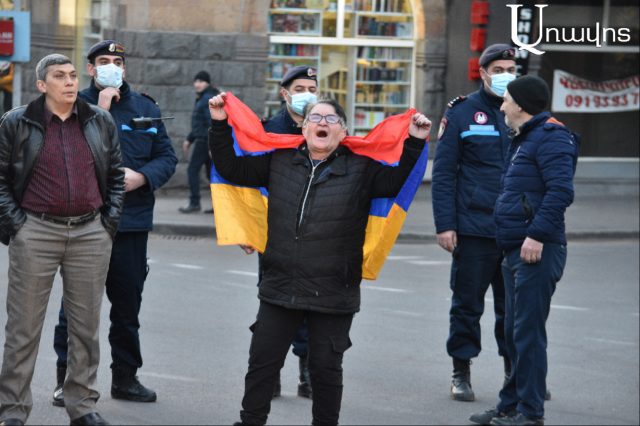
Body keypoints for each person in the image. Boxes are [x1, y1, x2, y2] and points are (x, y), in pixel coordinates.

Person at [208, 92, 430, 426]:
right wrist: (219, 123)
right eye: (315, 117)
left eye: (330, 119)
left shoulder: (361, 168)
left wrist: (414, 140)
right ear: (304, 128)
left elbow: (395, 181)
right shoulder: (279, 160)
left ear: (343, 131)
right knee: (262, 364)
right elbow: (231, 168)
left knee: (325, 370)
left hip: (333, 290)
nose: (321, 123)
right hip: (280, 286)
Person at [51, 40, 177, 407]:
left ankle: (125, 378)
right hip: (83, 223)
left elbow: (167, 157)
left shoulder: (145, 107)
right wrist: (100, 110)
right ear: (90, 69)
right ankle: (67, 381)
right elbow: (61, 154)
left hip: (131, 223)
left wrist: (143, 177)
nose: (111, 66)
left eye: (117, 62)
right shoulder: (72, 105)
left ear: (124, 68)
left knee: (127, 308)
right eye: (103, 61)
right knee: (76, 310)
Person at [0, 53, 124, 426]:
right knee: (23, 328)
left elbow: (115, 175)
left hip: (90, 233)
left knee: (85, 328)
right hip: (36, 231)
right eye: (59, 76)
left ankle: (82, 406)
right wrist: (17, 225)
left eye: (72, 75)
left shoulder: (99, 120)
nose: (70, 81)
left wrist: (106, 224)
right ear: (42, 85)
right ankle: (13, 410)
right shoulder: (17, 122)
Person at [469, 76, 578, 426]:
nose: (502, 106)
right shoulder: (525, 137)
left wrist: (536, 235)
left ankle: (530, 413)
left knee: (528, 334)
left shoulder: (552, 137)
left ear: (520, 104)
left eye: (506, 100)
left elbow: (560, 192)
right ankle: (509, 405)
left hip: (537, 249)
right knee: (513, 333)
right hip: (515, 248)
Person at [431, 43, 516, 402]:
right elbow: (444, 173)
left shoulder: (524, 111)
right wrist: (445, 224)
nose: (505, 76)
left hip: (515, 230)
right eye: (498, 70)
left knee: (514, 310)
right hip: (473, 228)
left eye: (510, 69)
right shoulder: (462, 112)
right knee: (467, 305)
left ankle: (516, 373)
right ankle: (461, 371)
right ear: (483, 73)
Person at [260, 65, 318, 399]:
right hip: (275, 232)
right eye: (299, 89)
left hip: (315, 231)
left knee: (310, 306)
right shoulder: (267, 131)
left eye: (312, 88)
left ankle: (307, 372)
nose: (306, 95)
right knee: (273, 305)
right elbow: (249, 183)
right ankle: (271, 373)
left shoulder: (325, 127)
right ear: (285, 94)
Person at [179, 70, 220, 214]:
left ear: (207, 83)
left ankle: (195, 202)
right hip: (205, 141)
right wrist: (189, 139)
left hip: (205, 142)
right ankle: (219, 206)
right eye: (196, 81)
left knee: (192, 170)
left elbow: (211, 124)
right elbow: (200, 123)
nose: (197, 84)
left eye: (201, 81)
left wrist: (210, 146)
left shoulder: (207, 99)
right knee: (211, 174)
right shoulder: (204, 98)